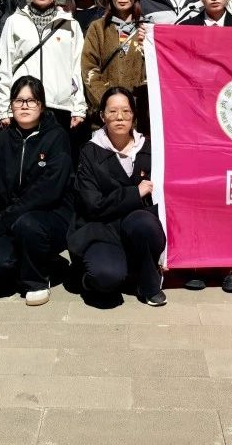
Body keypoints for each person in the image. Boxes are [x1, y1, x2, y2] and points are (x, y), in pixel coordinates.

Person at [0, 76, 74, 306]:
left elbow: (48, 192)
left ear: (42, 105)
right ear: (11, 105)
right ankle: (41, 261)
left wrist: (7, 218)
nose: (25, 106)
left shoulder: (57, 137)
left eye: (31, 100)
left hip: (50, 217)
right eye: (19, 100)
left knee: (28, 224)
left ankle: (37, 281)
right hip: (12, 218)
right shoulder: (1, 141)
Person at [177, 0, 232, 293]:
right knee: (198, 193)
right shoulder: (185, 29)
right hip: (196, 123)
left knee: (231, 193)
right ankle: (196, 262)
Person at [69, 87, 166, 307]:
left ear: (133, 115)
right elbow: (93, 205)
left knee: (142, 222)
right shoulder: (90, 152)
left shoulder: (150, 148)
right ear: (102, 116)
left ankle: (147, 282)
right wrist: (134, 193)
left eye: (126, 111)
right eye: (112, 111)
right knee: (106, 277)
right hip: (103, 230)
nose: (120, 117)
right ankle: (91, 276)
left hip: (139, 229)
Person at [0, 0, 86, 132]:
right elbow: (4, 67)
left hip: (60, 107)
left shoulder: (70, 24)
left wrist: (78, 108)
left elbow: (77, 69)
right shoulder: (14, 21)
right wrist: (3, 109)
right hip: (24, 106)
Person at [81, 0, 148, 126]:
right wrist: (108, 103)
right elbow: (89, 68)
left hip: (140, 114)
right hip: (105, 116)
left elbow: (155, 71)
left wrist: (135, 105)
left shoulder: (147, 29)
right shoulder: (97, 28)